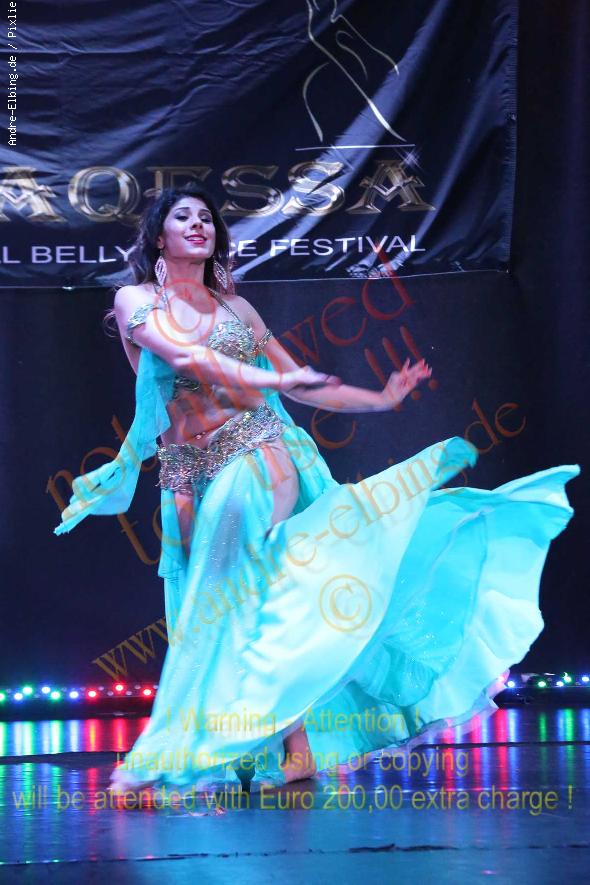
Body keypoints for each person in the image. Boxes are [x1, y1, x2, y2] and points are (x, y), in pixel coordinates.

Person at [54, 184, 579, 805]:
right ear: (158, 236)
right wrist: (276, 379)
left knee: (214, 609)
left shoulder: (238, 310)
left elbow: (302, 386)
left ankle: (156, 762)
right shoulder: (137, 300)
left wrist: (379, 398)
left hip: (259, 458)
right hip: (189, 479)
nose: (198, 224)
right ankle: (293, 749)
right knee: (243, 607)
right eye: (183, 217)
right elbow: (190, 357)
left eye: (207, 218)